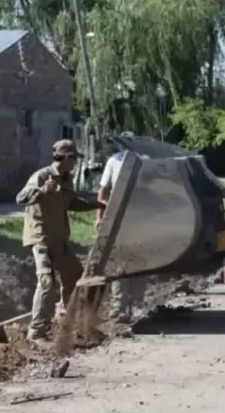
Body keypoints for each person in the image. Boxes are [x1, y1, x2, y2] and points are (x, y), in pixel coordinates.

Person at [16, 139, 104, 343]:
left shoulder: (66, 180)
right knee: (47, 283)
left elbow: (72, 202)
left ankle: (68, 324)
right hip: (41, 238)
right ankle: (36, 334)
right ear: (66, 158)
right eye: (74, 159)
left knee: (74, 277)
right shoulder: (41, 176)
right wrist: (41, 191)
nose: (75, 163)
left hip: (60, 237)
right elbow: (20, 198)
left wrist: (99, 204)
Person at [97, 133, 147, 325]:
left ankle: (137, 304)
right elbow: (103, 191)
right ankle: (119, 307)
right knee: (119, 263)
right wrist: (100, 217)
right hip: (119, 218)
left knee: (141, 261)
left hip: (140, 218)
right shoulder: (114, 162)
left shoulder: (145, 161)